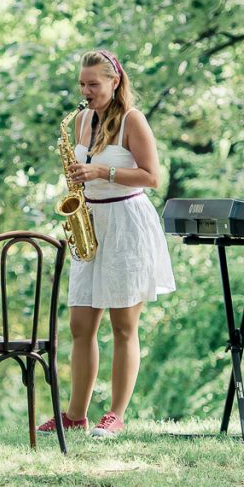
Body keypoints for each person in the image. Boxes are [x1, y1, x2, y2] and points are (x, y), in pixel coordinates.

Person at [37, 49, 174, 440]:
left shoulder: (133, 120)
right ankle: (75, 413)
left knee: (123, 325)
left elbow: (152, 178)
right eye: (82, 84)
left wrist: (103, 170)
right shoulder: (80, 120)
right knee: (80, 324)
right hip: (91, 221)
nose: (86, 90)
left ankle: (115, 414)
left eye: (93, 84)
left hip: (127, 223)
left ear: (115, 82)